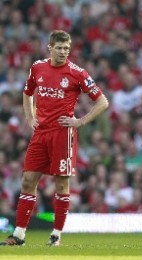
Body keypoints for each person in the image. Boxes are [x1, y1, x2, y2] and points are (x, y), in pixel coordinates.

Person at [0, 30, 109, 246]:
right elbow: (27, 91)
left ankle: (56, 235)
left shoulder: (77, 73)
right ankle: (19, 235)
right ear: (50, 47)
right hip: (41, 132)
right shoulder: (37, 67)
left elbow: (103, 102)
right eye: (59, 48)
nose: (63, 52)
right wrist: (30, 116)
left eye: (66, 48)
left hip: (63, 133)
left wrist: (80, 122)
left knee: (61, 185)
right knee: (28, 180)